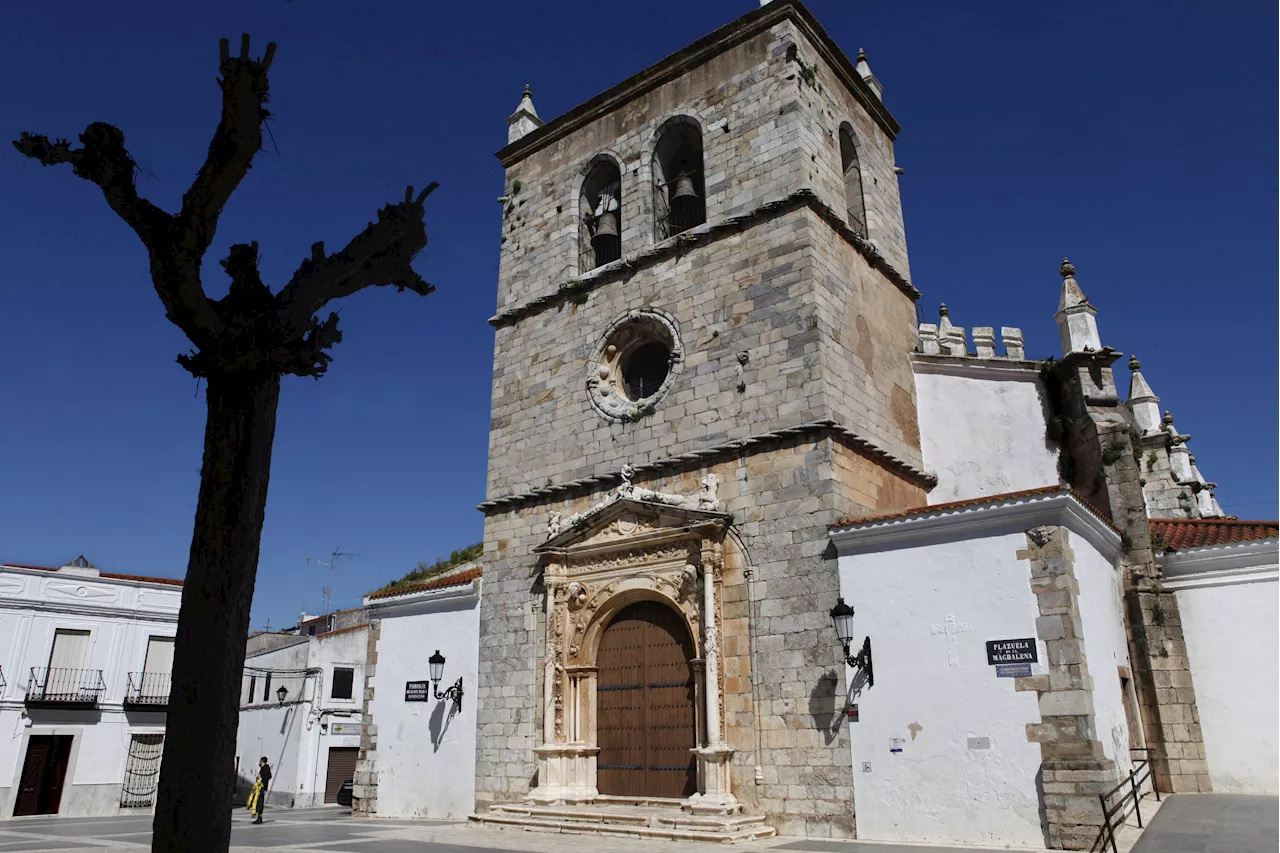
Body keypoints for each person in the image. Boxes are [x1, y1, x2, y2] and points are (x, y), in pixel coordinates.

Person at [252, 757, 271, 824]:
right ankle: (259, 817)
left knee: (260, 802)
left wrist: (260, 778)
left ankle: (259, 818)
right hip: (262, 787)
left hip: (261, 788)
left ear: (262, 761)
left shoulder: (265, 769)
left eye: (260, 761)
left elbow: (267, 777)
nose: (259, 763)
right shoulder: (265, 768)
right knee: (259, 802)